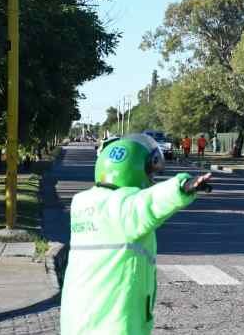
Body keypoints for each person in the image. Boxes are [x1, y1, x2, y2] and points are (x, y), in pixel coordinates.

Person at [60, 133, 211, 335]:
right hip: (115, 323)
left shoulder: (82, 202)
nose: (152, 180)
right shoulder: (124, 209)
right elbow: (151, 202)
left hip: (77, 319)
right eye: (151, 175)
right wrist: (181, 187)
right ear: (135, 170)